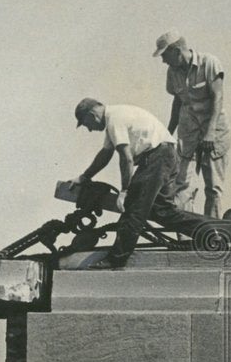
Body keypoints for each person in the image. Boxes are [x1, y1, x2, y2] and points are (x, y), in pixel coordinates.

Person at [69, 98, 201, 269]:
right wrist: (83, 177)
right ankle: (207, 232)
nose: (89, 129)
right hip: (166, 155)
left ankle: (116, 260)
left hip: (157, 157)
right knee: (162, 211)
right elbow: (105, 155)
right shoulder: (115, 117)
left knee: (133, 209)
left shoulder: (114, 120)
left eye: (86, 124)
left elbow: (126, 158)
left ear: (92, 114)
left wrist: (124, 191)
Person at [154, 29, 231, 219]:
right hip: (188, 132)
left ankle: (211, 232)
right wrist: (167, 133)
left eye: (165, 55)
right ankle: (186, 231)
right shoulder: (172, 72)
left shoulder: (209, 63)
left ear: (177, 50)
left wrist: (210, 132)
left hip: (214, 132)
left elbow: (217, 97)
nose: (163, 60)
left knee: (213, 186)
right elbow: (177, 101)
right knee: (180, 182)